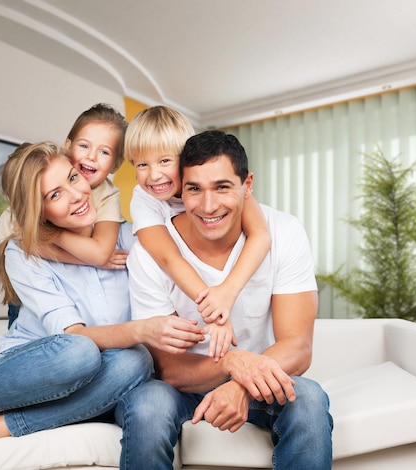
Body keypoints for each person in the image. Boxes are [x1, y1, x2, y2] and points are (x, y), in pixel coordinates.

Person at [0, 142, 199, 469]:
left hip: (102, 379)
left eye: (73, 178)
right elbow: (76, 336)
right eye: (54, 195)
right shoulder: (23, 254)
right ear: (37, 210)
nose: (76, 195)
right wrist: (142, 330)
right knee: (79, 351)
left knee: (136, 362)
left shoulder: (130, 238)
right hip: (31, 370)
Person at [116, 130, 333, 469]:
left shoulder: (283, 231)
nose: (208, 206)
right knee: (148, 404)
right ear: (179, 189)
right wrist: (230, 363)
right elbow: (169, 369)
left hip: (258, 380)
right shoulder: (149, 253)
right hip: (183, 388)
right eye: (194, 189)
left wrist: (241, 386)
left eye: (222, 187)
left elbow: (298, 346)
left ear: (247, 185)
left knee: (307, 398)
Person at [124, 106, 272, 360]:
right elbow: (169, 257)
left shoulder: (220, 182)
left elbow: (261, 236)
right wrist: (214, 311)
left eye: (164, 161)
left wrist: (228, 291)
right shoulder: (143, 200)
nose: (154, 175)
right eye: (142, 164)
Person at [0, 103, 129, 327]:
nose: (91, 157)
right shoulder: (20, 210)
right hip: (27, 286)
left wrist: (52, 235)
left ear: (116, 165)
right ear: (68, 147)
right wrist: (55, 238)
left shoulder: (106, 194)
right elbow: (22, 246)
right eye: (84, 145)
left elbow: (100, 253)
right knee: (21, 317)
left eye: (104, 151)